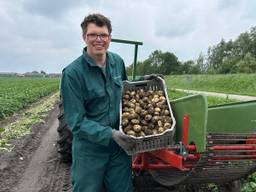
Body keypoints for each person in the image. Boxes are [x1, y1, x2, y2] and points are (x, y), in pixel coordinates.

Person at [60, 13, 135, 192]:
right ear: (84, 37)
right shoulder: (72, 74)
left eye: (103, 35)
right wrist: (110, 134)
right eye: (93, 35)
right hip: (90, 149)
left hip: (119, 148)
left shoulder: (117, 62)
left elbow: (125, 93)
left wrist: (142, 80)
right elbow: (76, 123)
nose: (98, 40)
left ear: (110, 37)